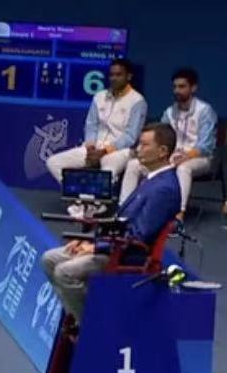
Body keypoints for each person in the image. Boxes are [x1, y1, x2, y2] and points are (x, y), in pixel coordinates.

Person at [40, 122, 183, 320]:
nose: (138, 149)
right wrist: (88, 240)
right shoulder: (152, 180)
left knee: (65, 272)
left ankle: (93, 325)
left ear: (162, 151)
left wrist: (96, 247)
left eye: (144, 145)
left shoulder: (164, 189)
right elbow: (120, 222)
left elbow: (138, 235)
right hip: (114, 245)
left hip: (126, 255)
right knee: (49, 259)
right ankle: (79, 314)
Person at [121, 66, 216, 207]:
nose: (177, 90)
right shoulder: (169, 112)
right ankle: (124, 207)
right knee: (134, 165)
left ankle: (178, 211)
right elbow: (160, 137)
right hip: (171, 156)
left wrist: (186, 156)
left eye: (182, 87)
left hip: (199, 158)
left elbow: (206, 145)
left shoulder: (204, 111)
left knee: (183, 168)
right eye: (175, 87)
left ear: (193, 88)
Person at [45, 57, 146, 187]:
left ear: (129, 76)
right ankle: (79, 193)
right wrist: (91, 148)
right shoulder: (99, 96)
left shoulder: (137, 101)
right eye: (111, 75)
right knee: (53, 162)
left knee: (107, 173)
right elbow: (91, 125)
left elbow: (131, 136)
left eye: (118, 75)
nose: (114, 78)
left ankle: (95, 198)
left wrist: (104, 151)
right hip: (93, 148)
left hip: (120, 151)